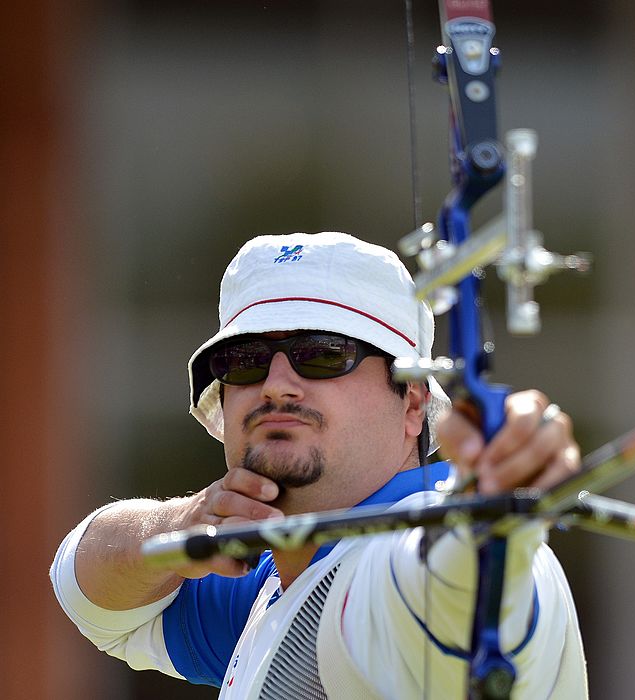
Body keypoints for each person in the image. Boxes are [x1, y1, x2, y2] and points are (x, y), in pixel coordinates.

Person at [50, 231, 588, 698]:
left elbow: (441, 591)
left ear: (413, 403)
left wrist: (494, 506)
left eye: (324, 353)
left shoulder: (407, 554)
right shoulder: (270, 585)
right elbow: (84, 586)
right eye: (246, 361)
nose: (276, 384)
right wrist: (183, 525)